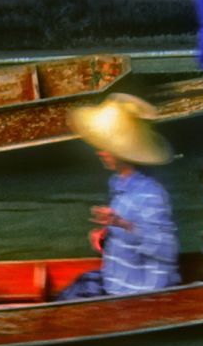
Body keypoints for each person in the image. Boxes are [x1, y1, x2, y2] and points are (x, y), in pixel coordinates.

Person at [57, 93, 179, 300]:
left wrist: (123, 224)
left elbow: (167, 250)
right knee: (71, 291)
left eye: (106, 148)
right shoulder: (118, 183)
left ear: (122, 152)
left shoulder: (151, 194)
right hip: (116, 278)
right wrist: (106, 236)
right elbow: (129, 233)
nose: (100, 152)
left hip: (141, 290)